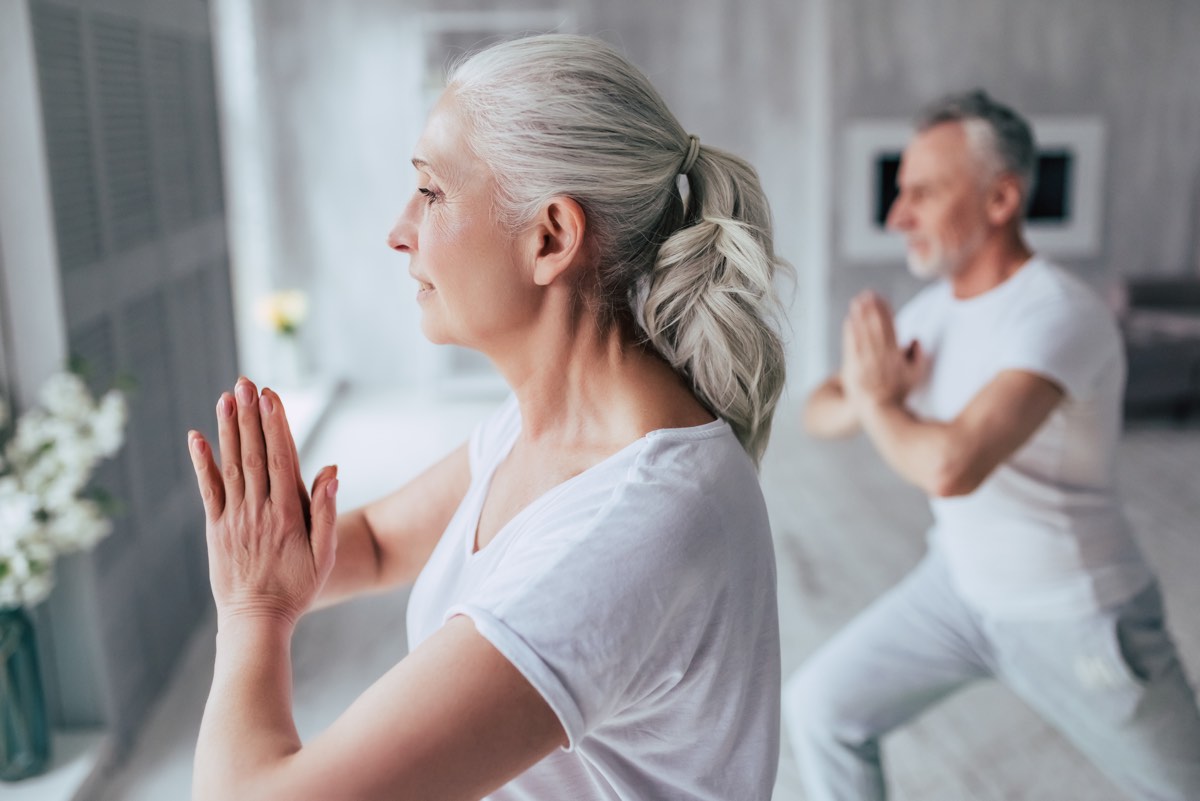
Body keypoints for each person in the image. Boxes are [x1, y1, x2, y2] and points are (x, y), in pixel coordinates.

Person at [185, 33, 787, 801]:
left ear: (550, 238)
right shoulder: (543, 426)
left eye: (431, 193)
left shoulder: (633, 526)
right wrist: (270, 545)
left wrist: (252, 609)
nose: (399, 230)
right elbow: (370, 545)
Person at [783, 89, 1200, 800]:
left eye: (922, 193)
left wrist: (879, 397)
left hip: (1074, 611)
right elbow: (818, 408)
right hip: (957, 592)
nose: (896, 216)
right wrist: (866, 386)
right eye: (896, 192)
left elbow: (950, 465)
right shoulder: (934, 311)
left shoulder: (1059, 313)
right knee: (821, 707)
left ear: (1001, 199)